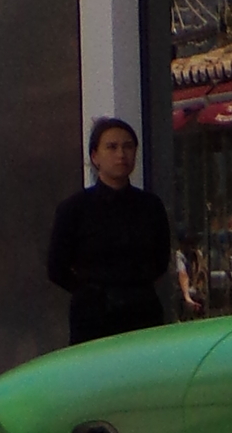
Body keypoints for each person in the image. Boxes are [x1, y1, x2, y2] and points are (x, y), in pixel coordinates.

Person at [47, 116, 175, 344]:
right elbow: (56, 267)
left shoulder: (150, 206)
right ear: (95, 156)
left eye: (128, 147)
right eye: (112, 147)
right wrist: (89, 293)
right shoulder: (74, 208)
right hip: (94, 318)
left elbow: (160, 259)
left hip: (142, 313)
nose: (121, 154)